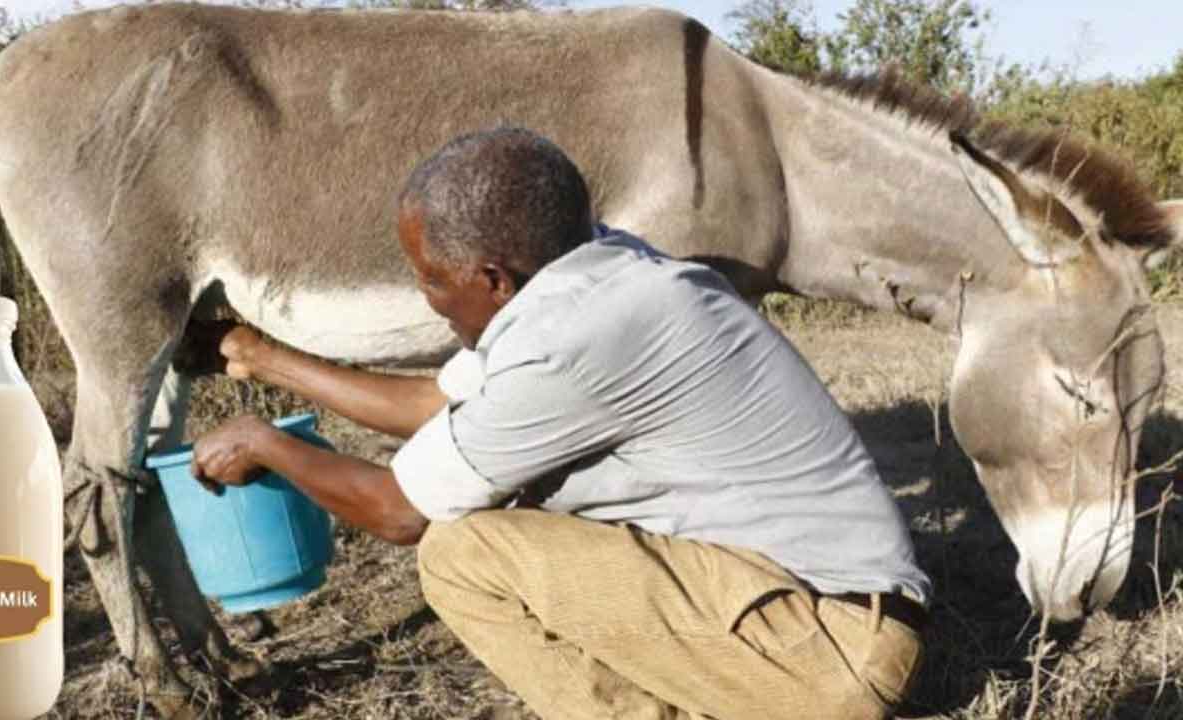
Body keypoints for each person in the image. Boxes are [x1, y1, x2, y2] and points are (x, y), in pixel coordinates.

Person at [181, 126, 931, 720]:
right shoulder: (591, 270)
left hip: (825, 652)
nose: (430, 299)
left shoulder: (571, 344)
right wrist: (260, 358)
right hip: (819, 617)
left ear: (493, 279)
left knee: (463, 552)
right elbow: (432, 407)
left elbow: (400, 513)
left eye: (434, 280)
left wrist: (266, 444)